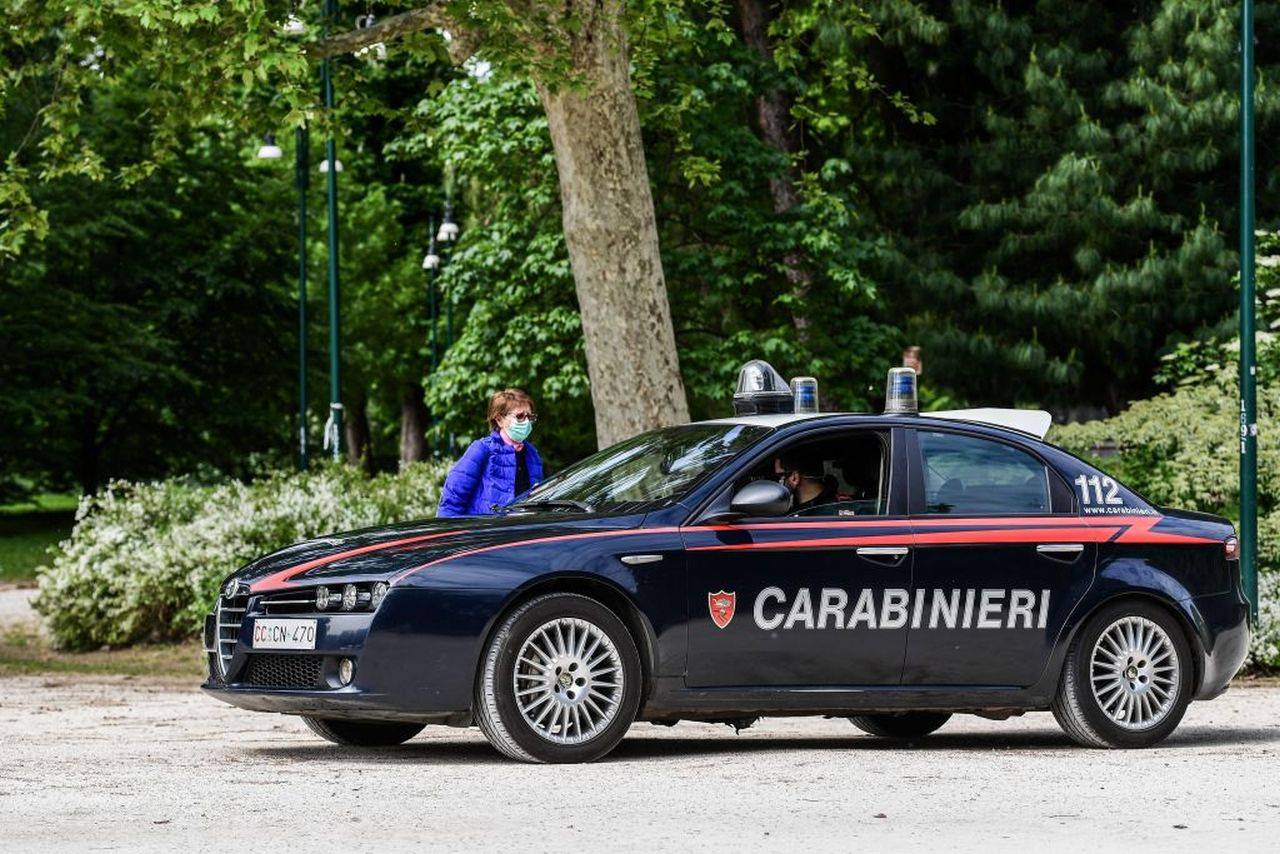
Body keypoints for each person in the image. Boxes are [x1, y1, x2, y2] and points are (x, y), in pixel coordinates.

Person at [438, 389, 545, 517]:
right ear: (499, 419)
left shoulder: (533, 455)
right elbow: (452, 499)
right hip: (484, 534)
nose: (526, 422)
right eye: (520, 416)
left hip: (522, 533)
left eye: (530, 417)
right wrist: (449, 535)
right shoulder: (482, 449)